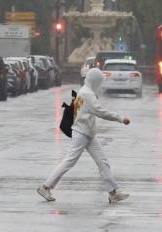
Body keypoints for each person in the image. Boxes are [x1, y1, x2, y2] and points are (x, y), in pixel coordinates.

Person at [37, 67, 131, 203]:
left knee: (102, 162)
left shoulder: (85, 91)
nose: (101, 85)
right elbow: (100, 111)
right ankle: (45, 187)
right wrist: (120, 118)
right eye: (100, 82)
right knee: (69, 161)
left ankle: (113, 192)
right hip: (81, 133)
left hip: (88, 133)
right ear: (95, 81)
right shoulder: (87, 94)